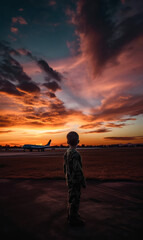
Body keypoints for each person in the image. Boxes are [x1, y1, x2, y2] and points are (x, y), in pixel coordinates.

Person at [63, 131, 86, 225]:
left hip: (69, 180)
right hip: (75, 181)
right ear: (78, 141)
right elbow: (78, 170)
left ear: (67, 141)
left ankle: (71, 215)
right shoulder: (75, 154)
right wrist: (82, 181)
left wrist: (67, 177)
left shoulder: (67, 152)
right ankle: (73, 219)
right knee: (75, 199)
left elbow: (65, 167)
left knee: (71, 198)